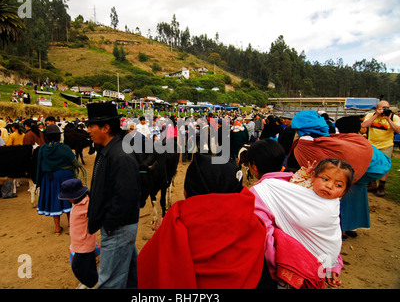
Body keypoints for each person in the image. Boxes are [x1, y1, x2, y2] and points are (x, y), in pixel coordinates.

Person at [137, 153, 267, 289]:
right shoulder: (256, 230)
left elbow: (144, 274)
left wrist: (166, 231)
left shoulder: (171, 232)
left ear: (186, 192)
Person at [242, 139, 344, 288]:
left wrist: (278, 275)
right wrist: (333, 263)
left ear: (253, 166)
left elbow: (265, 239)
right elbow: (326, 229)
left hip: (291, 274)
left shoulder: (259, 194)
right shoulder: (304, 183)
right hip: (319, 266)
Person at [86, 102, 141, 289]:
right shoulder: (109, 150)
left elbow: (126, 196)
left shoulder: (121, 154)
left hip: (118, 227)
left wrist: (109, 224)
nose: (88, 130)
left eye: (91, 126)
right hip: (118, 226)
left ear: (106, 128)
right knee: (132, 278)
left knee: (109, 283)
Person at [334, 115, 391, 239]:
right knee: (358, 202)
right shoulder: (361, 140)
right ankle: (352, 228)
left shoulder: (345, 141)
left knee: (344, 203)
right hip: (363, 177)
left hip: (349, 177)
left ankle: (342, 228)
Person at [36, 124, 84, 236]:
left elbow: (39, 165)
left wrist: (38, 181)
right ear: (58, 136)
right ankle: (71, 225)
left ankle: (57, 228)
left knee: (54, 199)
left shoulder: (42, 149)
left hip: (49, 177)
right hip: (65, 176)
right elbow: (75, 163)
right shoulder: (64, 148)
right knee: (69, 198)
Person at [58, 178, 99, 289]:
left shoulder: (87, 205)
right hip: (79, 243)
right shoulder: (82, 202)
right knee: (88, 265)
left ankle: (90, 283)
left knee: (78, 267)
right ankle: (90, 281)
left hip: (83, 244)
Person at [361, 100, 400, 197]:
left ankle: (382, 186)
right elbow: (363, 126)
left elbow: (398, 130)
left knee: (385, 166)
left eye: (386, 108)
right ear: (376, 108)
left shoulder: (394, 117)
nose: (383, 110)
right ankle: (372, 183)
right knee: (370, 164)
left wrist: (389, 120)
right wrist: (376, 115)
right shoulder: (371, 115)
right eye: (381, 108)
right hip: (372, 144)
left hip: (386, 145)